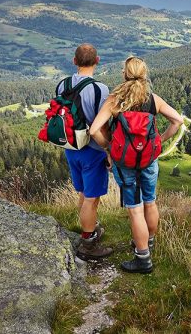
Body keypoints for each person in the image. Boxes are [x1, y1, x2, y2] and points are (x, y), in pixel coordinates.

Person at [90, 56, 183, 274]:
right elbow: (177, 121)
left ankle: (143, 260)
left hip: (125, 162)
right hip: (149, 160)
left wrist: (110, 147)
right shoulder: (152, 99)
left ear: (124, 74)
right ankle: (148, 243)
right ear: (144, 74)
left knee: (135, 210)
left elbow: (94, 130)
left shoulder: (115, 100)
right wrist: (158, 142)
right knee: (150, 203)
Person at [59, 43, 113, 260]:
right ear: (97, 61)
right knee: (92, 198)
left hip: (70, 147)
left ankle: (88, 229)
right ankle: (88, 244)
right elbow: (101, 125)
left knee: (83, 193)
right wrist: (108, 148)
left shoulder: (62, 84)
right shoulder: (100, 89)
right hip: (93, 150)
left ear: (74, 61)